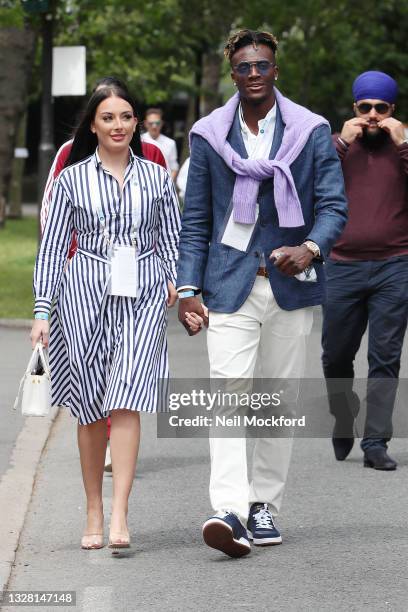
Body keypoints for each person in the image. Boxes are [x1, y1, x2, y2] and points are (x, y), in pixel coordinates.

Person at [176, 29, 347, 558]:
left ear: (276, 70)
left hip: (290, 287)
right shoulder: (208, 136)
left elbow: (333, 206)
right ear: (233, 73)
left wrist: (311, 249)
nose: (254, 74)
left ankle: (264, 503)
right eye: (245, 66)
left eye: (263, 66)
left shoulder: (310, 132)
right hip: (228, 285)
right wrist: (187, 287)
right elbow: (197, 218)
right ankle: (228, 508)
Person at [31, 82, 181, 551]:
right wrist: (42, 311)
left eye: (126, 117)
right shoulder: (72, 179)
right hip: (83, 293)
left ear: (137, 122)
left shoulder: (157, 178)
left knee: (127, 398)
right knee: (91, 406)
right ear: (92, 125)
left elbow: (173, 237)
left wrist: (176, 281)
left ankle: (120, 512)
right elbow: (54, 247)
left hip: (143, 292)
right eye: (108, 118)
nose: (118, 125)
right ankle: (93, 507)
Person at [322, 71, 408, 471]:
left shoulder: (402, 147)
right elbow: (313, 188)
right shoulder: (336, 147)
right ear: (353, 109)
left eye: (381, 108)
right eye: (365, 108)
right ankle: (343, 413)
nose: (373, 116)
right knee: (335, 356)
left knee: (385, 357)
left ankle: (375, 441)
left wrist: (404, 143)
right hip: (342, 265)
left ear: (393, 111)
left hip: (395, 264)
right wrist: (341, 142)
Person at [141, 108, 179, 180]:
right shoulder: (139, 141)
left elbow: (174, 167)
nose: (154, 126)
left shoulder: (170, 143)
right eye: (151, 123)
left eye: (157, 123)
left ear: (161, 123)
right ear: (145, 123)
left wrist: (167, 184)